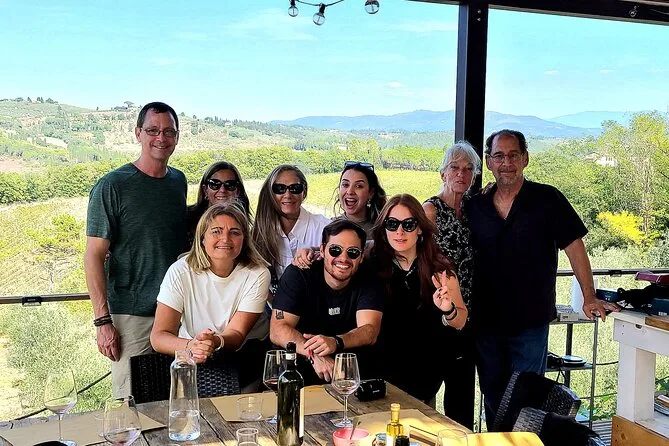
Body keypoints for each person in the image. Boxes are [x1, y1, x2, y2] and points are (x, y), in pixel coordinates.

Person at [466, 129, 621, 428]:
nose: (506, 163)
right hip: (486, 323)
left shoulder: (548, 199)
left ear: (525, 159)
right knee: (493, 396)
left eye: (513, 155)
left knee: (527, 400)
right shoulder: (476, 205)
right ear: (488, 162)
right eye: (499, 156)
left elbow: (575, 247)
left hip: (531, 322)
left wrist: (589, 296)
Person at [84, 102, 188, 397]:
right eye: (153, 130)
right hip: (132, 316)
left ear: (177, 137)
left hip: (175, 314)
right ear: (138, 133)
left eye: (168, 131)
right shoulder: (112, 186)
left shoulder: (178, 181)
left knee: (178, 398)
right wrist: (102, 321)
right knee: (132, 402)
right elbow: (93, 255)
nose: (161, 138)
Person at [150, 203, 269, 388]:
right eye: (216, 231)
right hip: (190, 357)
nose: (225, 239)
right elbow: (159, 337)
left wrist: (214, 341)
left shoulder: (257, 274)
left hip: (242, 358)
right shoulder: (180, 271)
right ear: (202, 238)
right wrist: (192, 346)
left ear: (244, 240)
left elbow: (237, 333)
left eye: (235, 232)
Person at [369, 194, 468, 403]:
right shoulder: (370, 263)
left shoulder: (439, 269)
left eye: (408, 224)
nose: (399, 231)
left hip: (424, 381)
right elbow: (336, 252)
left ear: (420, 228)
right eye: (392, 224)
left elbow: (460, 320)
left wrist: (448, 309)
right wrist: (310, 252)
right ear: (384, 227)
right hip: (379, 379)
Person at [269, 219, 384, 384]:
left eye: (352, 252)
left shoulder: (369, 278)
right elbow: (277, 329)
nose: (343, 258)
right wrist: (314, 354)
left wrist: (335, 342)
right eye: (335, 250)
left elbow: (370, 331)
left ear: (361, 256)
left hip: (350, 376)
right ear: (322, 250)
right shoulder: (298, 274)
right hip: (299, 376)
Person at [422, 141, 480, 429]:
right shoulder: (430, 210)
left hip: (467, 315)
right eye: (455, 167)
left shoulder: (474, 210)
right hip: (436, 311)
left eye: (468, 169)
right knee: (425, 392)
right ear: (443, 173)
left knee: (461, 396)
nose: (461, 174)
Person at [252, 165, 330, 290]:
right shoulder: (258, 233)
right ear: (270, 193)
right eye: (280, 188)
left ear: (304, 192)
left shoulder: (324, 228)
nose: (288, 195)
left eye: (295, 188)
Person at [186, 161, 251, 247]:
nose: (222, 190)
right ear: (205, 190)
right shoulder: (186, 218)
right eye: (215, 184)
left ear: (238, 191)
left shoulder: (242, 222)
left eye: (230, 185)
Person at [334, 161, 387, 237]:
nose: (350, 191)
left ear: (371, 193)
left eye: (358, 186)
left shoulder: (384, 229)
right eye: (345, 185)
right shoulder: (329, 227)